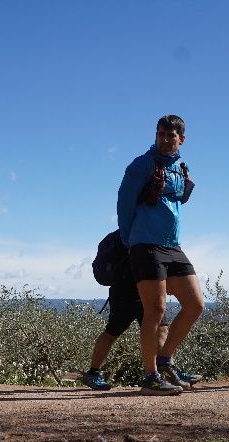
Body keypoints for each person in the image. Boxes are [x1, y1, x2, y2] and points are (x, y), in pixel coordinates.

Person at [117, 115, 205, 396]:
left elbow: (179, 199)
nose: (165, 139)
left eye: (171, 135)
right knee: (155, 310)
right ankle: (150, 375)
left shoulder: (180, 167)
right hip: (145, 243)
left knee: (195, 305)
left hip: (173, 245)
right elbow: (124, 203)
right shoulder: (142, 164)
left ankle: (166, 360)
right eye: (161, 134)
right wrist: (130, 241)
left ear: (182, 138)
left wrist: (188, 185)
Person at [83, 240, 196, 390]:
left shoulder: (152, 235)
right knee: (112, 332)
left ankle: (168, 370)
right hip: (125, 292)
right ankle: (93, 373)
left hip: (148, 292)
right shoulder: (127, 236)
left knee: (162, 329)